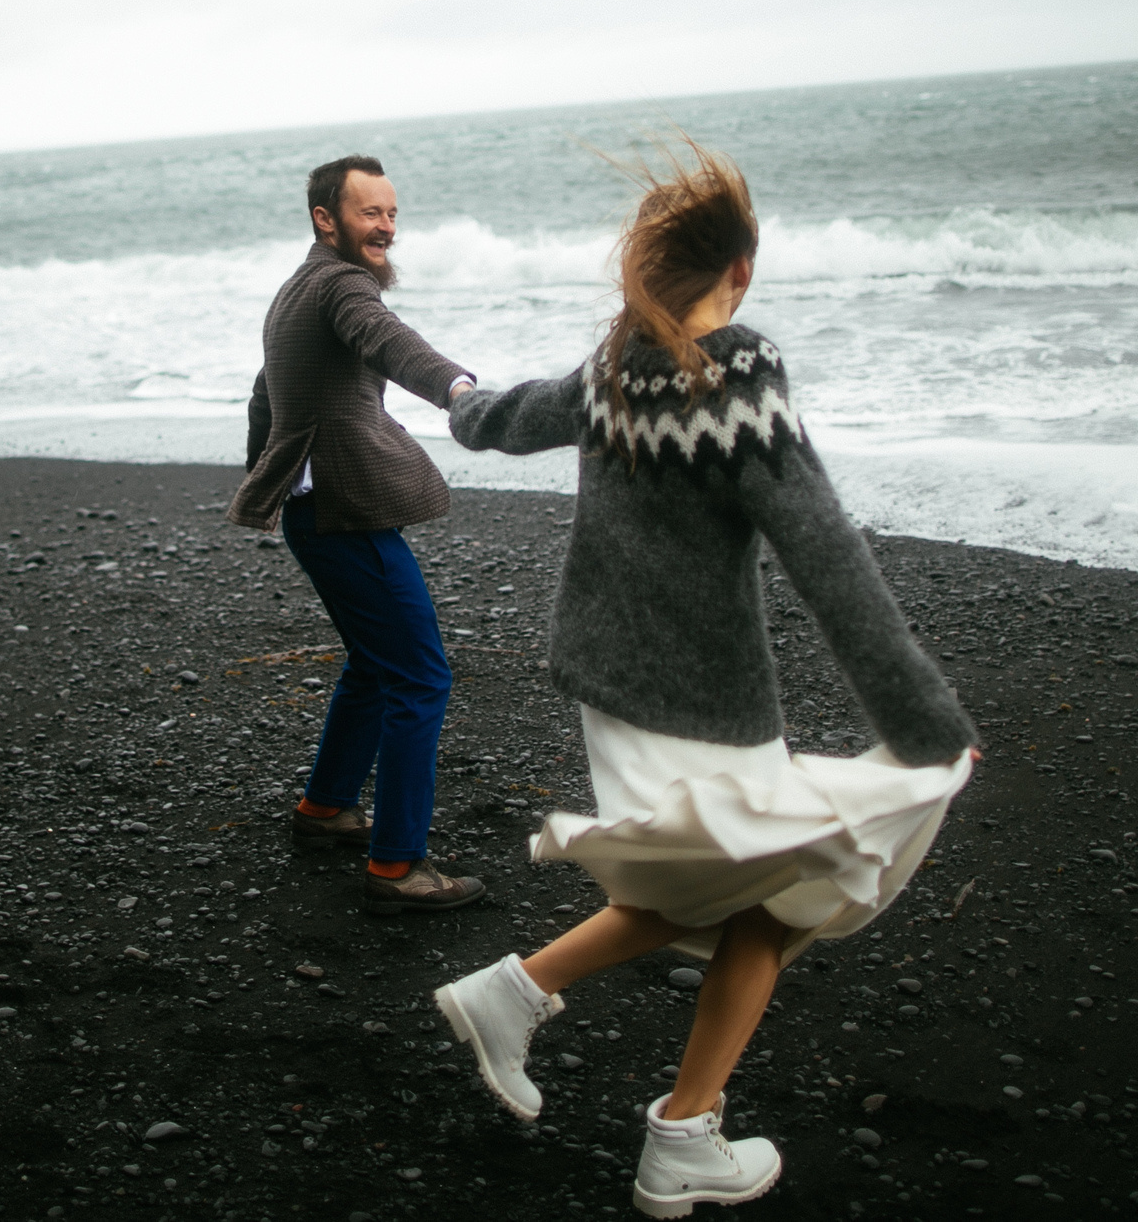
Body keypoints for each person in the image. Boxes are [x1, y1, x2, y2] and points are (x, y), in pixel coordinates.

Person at [428, 145, 980, 1217]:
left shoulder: (610, 368)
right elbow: (828, 560)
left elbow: (510, 417)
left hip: (610, 685)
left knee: (742, 896)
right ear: (736, 270)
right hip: (705, 706)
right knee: (754, 891)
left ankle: (651, 1098)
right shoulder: (731, 373)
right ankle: (603, 1069)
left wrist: (459, 402)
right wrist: (925, 722)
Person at [229, 154, 487, 914]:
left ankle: (326, 807)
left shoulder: (295, 289)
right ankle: (398, 865)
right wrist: (457, 389)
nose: (386, 228)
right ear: (326, 218)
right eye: (370, 213)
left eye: (392, 213)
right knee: (420, 675)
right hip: (341, 512)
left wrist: (267, 482)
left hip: (315, 511)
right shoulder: (342, 286)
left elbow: (263, 397)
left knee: (375, 667)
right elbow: (389, 340)